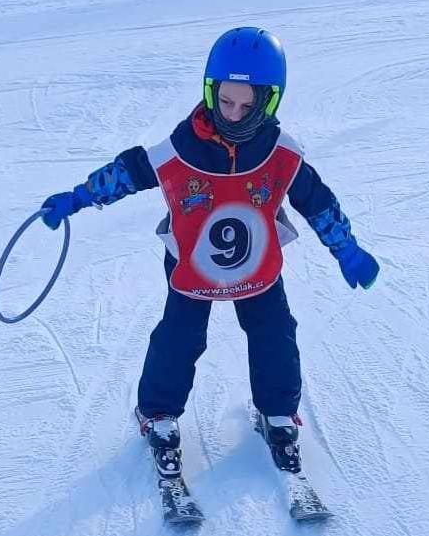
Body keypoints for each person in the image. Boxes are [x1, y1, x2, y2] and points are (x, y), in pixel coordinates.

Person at [38, 27, 379, 481]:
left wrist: (346, 249)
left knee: (274, 333)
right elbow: (130, 171)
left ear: (269, 102)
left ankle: (278, 414)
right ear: (211, 91)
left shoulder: (281, 154)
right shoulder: (182, 148)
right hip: (192, 265)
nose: (234, 115)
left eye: (247, 105)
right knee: (181, 337)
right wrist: (79, 197)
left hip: (256, 265)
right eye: (226, 101)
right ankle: (158, 413)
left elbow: (317, 201)